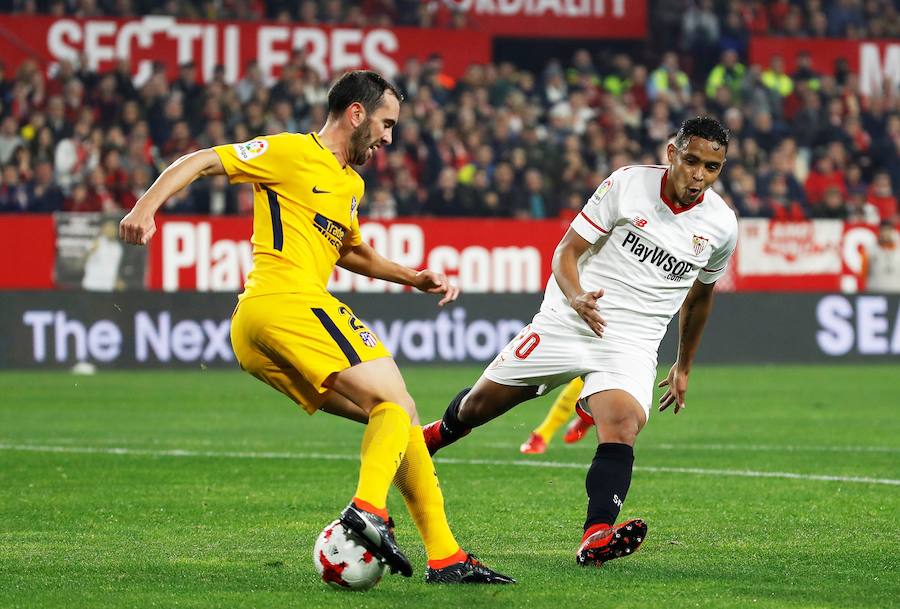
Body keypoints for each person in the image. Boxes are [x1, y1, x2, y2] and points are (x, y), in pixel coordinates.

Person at [119, 70, 513, 585]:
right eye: (386, 124)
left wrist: (412, 277)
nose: (389, 138)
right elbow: (202, 159)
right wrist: (146, 205)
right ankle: (368, 509)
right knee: (394, 404)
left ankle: (446, 557)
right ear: (356, 113)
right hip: (285, 300)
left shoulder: (351, 183)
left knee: (397, 417)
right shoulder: (289, 151)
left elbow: (350, 251)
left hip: (258, 329)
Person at [424, 116, 738, 568]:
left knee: (622, 423)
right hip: (572, 318)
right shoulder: (628, 185)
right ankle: (431, 437)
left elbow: (701, 296)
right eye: (691, 161)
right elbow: (566, 252)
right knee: (477, 408)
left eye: (712, 168)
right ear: (672, 153)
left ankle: (596, 535)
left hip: (632, 342)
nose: (699, 176)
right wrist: (575, 297)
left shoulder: (722, 225)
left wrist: (683, 364)